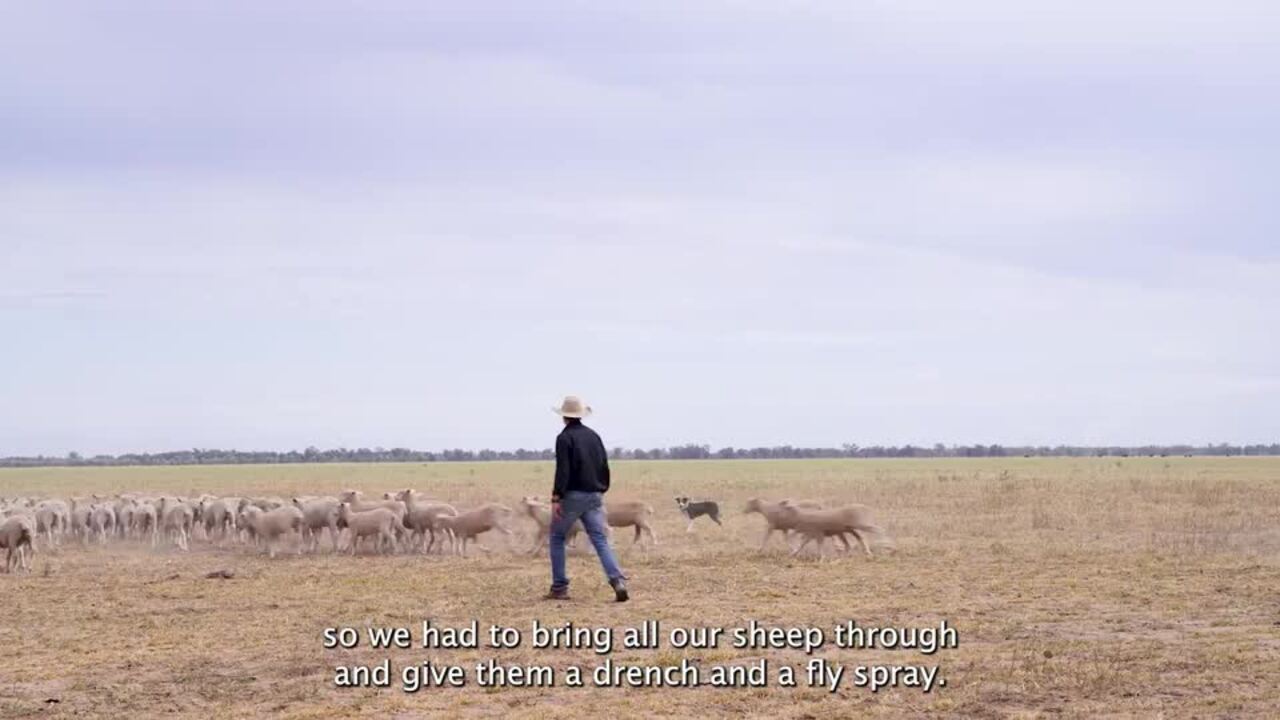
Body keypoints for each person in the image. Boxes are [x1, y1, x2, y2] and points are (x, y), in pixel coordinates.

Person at [545, 395, 628, 602]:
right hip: (595, 495)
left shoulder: (564, 438)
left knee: (557, 537)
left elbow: (563, 470)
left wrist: (556, 497)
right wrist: (601, 489)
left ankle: (559, 587)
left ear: (564, 416)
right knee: (599, 539)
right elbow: (604, 466)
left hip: (572, 496)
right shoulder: (594, 436)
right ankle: (617, 580)